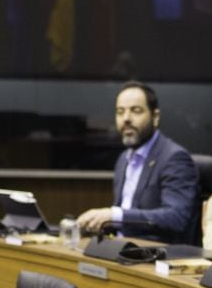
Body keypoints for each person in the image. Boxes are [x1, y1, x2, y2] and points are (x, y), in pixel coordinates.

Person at [77, 81, 198, 244]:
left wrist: (115, 216)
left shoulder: (174, 158)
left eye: (136, 111)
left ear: (155, 117)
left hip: (153, 256)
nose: (126, 118)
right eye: (120, 112)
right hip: (119, 249)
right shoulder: (123, 159)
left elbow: (176, 218)